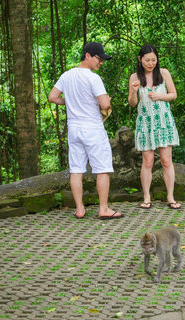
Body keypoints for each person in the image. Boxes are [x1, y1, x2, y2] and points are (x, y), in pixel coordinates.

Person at [48, 42, 124, 220]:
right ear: (88, 56)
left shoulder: (66, 76)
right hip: (92, 128)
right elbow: (105, 104)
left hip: (74, 129)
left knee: (76, 169)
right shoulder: (93, 78)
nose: (101, 63)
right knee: (102, 169)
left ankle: (80, 209)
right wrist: (103, 101)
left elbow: (53, 97)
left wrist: (72, 102)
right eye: (99, 59)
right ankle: (103, 208)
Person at [128, 44, 181, 210]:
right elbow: (132, 103)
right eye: (147, 60)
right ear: (140, 59)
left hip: (163, 122)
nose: (150, 63)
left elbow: (173, 94)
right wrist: (133, 91)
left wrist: (160, 96)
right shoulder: (134, 77)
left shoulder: (163, 73)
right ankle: (146, 197)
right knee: (148, 161)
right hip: (145, 123)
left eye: (153, 60)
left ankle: (170, 197)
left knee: (166, 160)